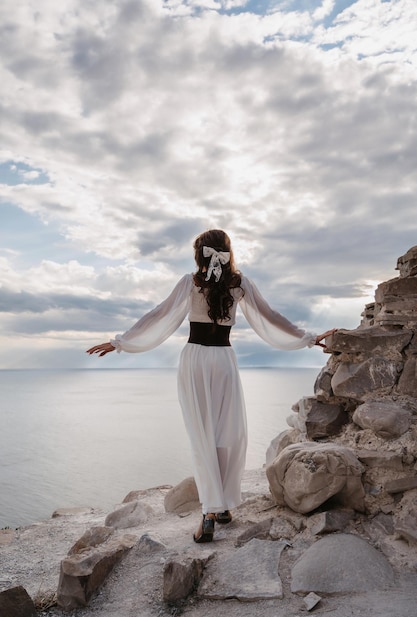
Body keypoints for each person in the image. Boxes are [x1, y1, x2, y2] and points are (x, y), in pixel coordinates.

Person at [87, 229, 335, 543]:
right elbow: (271, 316)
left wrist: (119, 342)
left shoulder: (190, 283)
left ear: (198, 254)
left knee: (203, 436)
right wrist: (310, 338)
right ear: (226, 252)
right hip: (223, 361)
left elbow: (158, 315)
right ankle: (221, 506)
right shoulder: (239, 284)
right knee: (225, 436)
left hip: (194, 361)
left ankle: (210, 513)